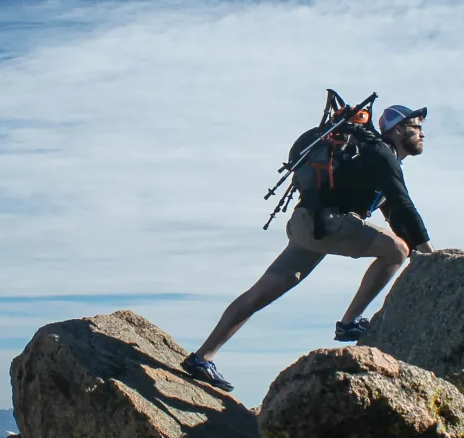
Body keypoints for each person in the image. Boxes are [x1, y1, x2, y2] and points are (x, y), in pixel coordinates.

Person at [181, 104, 434, 391]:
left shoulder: (375, 157)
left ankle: (202, 357)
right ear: (398, 130)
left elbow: (397, 215)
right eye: (417, 127)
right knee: (396, 250)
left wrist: (422, 251)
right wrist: (433, 257)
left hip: (307, 224)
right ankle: (349, 323)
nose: (423, 133)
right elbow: (404, 206)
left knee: (258, 295)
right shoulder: (381, 154)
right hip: (322, 223)